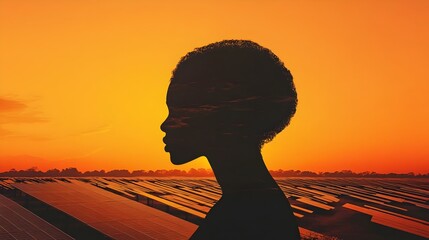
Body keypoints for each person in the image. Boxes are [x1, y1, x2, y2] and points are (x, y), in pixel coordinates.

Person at [161, 40, 300, 240]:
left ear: (224, 116)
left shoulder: (246, 217)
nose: (165, 125)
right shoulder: (256, 204)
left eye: (180, 111)